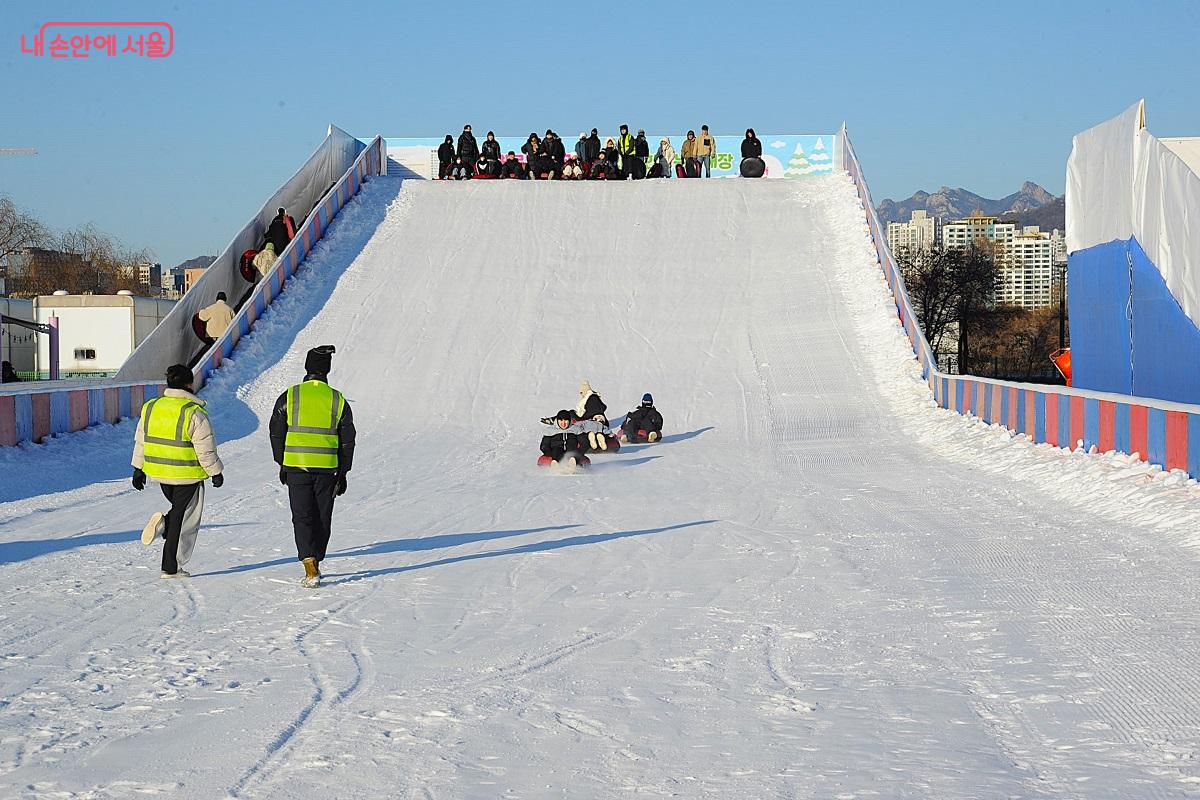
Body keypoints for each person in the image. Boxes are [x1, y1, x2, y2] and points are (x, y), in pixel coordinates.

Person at [269, 345, 356, 588]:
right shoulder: (337, 400)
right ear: (327, 371)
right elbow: (347, 439)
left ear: (307, 369)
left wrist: (281, 462)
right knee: (322, 517)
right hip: (328, 469)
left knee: (302, 516)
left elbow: (276, 431)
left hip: (296, 466)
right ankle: (316, 558)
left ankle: (308, 563)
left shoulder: (291, 396)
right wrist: (344, 472)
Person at [131, 363, 224, 578]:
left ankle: (168, 539)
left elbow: (141, 440)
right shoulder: (193, 412)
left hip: (160, 474)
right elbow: (205, 448)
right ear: (190, 384)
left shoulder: (151, 407)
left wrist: (138, 469)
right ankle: (170, 566)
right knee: (184, 520)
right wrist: (215, 472)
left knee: (180, 515)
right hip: (187, 475)